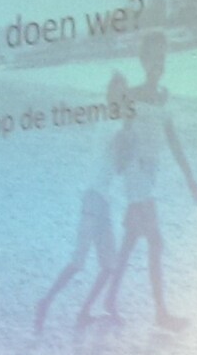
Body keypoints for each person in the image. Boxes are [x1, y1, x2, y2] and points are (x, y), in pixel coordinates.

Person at [97, 31, 197, 330]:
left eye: (162, 57)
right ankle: (161, 313)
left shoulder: (164, 96)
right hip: (136, 173)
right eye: (154, 57)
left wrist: (190, 178)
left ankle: (109, 299)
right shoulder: (134, 95)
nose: (159, 62)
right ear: (143, 61)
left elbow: (174, 141)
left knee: (131, 238)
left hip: (150, 174)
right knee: (156, 241)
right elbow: (118, 124)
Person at [33, 73, 131, 332]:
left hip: (101, 200)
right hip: (93, 198)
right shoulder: (112, 123)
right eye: (117, 92)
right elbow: (121, 164)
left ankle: (83, 312)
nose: (120, 97)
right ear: (110, 94)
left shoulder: (112, 121)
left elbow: (119, 164)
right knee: (79, 262)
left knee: (109, 265)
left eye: (123, 93)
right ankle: (45, 302)